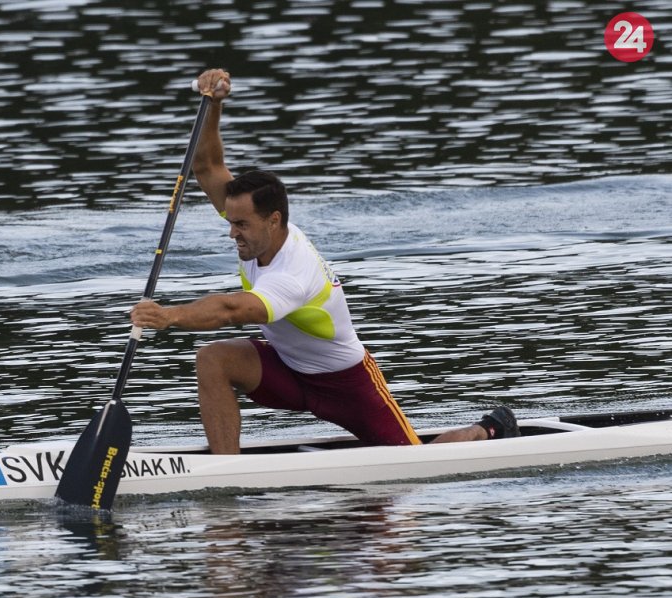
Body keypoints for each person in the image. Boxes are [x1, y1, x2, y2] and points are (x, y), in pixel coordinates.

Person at [130, 69, 519, 454]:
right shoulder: (255, 229)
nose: (232, 233)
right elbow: (207, 168)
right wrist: (214, 105)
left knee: (418, 458)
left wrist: (169, 316)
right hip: (288, 370)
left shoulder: (294, 272)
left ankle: (487, 429)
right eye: (231, 222)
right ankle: (224, 470)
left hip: (347, 384)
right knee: (214, 359)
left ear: (274, 220)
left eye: (241, 225)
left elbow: (233, 309)